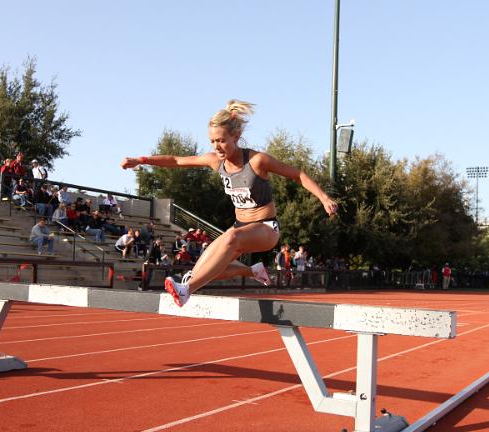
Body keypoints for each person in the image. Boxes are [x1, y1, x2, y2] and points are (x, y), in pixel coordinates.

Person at [121, 100, 338, 307]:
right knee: (204, 266)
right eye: (213, 141)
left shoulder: (256, 161)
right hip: (239, 227)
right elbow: (177, 160)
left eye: (221, 140)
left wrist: (323, 197)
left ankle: (186, 290)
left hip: (265, 228)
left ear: (236, 136)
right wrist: (141, 160)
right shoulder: (215, 161)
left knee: (225, 244)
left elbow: (297, 174)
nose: (217, 146)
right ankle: (251, 271)